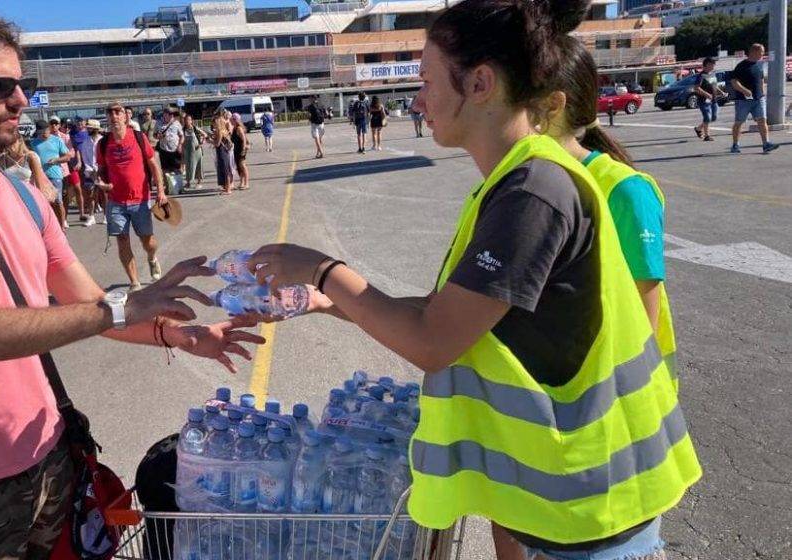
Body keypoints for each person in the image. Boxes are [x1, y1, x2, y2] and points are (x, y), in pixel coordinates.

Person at [246, 1, 701, 559]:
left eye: (428, 81)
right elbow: (452, 313)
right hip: (566, 510)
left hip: (589, 516)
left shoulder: (533, 192)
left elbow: (433, 340)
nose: (418, 102)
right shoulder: (517, 182)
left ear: (480, 83)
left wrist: (323, 269)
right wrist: (327, 300)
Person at [0, 6, 262, 558]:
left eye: (23, 84)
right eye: (0, 85)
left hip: (49, 455)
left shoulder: (28, 199)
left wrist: (182, 336)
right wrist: (120, 310)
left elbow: (91, 304)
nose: (21, 99)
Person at [542, 35, 679, 389]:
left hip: (628, 398)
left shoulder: (626, 191)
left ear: (552, 106)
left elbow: (642, 319)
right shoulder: (533, 183)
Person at [96, 101, 166, 290]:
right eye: (110, 113)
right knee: (122, 240)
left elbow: (153, 165)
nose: (114, 116)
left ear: (126, 116)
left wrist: (160, 190)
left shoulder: (138, 137)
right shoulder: (102, 144)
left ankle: (152, 258)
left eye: (118, 112)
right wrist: (102, 183)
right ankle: (134, 282)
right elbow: (101, 171)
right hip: (116, 202)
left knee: (148, 242)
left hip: (140, 199)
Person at [729, 43, 779, 154]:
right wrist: (744, 90)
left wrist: (762, 92)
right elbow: (734, 82)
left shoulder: (759, 65)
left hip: (758, 99)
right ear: (754, 52)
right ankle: (735, 145)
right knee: (739, 122)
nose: (762, 54)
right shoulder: (741, 66)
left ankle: (766, 144)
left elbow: (761, 79)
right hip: (743, 100)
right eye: (761, 52)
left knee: (762, 120)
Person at [31, 119, 73, 228]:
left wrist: (56, 160)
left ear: (49, 129)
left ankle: (62, 225)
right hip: (40, 176)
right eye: (41, 132)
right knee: (45, 202)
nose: (44, 134)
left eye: (45, 131)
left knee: (58, 201)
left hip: (55, 175)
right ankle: (52, 226)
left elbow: (68, 157)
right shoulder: (33, 143)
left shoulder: (57, 140)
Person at [0, 136, 57, 203]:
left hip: (30, 196)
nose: (10, 147)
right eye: (7, 143)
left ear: (20, 141)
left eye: (12, 143)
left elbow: (39, 184)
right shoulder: (2, 158)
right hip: (11, 197)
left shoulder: (31, 157)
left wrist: (42, 201)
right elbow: (1, 182)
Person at [77, 118, 106, 225]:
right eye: (87, 128)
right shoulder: (86, 142)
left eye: (90, 128)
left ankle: (106, 216)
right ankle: (91, 216)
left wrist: (99, 169)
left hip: (102, 171)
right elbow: (85, 157)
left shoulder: (103, 141)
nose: (88, 130)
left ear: (96, 129)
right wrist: (90, 169)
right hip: (90, 171)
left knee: (104, 194)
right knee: (90, 194)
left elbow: (105, 156)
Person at [692, 57, 723, 142]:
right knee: (707, 117)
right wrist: (706, 94)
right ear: (706, 65)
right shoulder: (701, 76)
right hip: (703, 101)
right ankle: (707, 136)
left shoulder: (713, 74)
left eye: (713, 65)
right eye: (711, 65)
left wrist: (721, 92)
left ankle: (698, 129)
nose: (713, 66)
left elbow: (714, 85)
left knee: (713, 117)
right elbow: (696, 88)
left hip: (713, 100)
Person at [182, 113, 207, 190]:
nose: (187, 121)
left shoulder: (195, 128)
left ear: (191, 121)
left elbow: (205, 135)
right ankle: (188, 183)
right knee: (188, 167)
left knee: (198, 166)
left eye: (189, 120)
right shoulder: (183, 130)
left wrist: (201, 143)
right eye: (186, 120)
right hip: (188, 151)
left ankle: (199, 182)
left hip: (197, 151)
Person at [156, 108, 184, 175]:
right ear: (164, 114)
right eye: (170, 114)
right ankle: (167, 184)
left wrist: (180, 145)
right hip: (163, 150)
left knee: (177, 169)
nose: (172, 115)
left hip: (175, 149)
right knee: (165, 170)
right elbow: (155, 135)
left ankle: (177, 184)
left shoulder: (176, 123)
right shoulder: (159, 123)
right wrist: (159, 136)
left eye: (172, 114)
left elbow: (182, 136)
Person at [212, 112, 234, 194]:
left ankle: (228, 189)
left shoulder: (220, 132)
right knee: (225, 169)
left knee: (225, 170)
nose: (213, 125)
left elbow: (217, 144)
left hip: (222, 151)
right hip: (223, 151)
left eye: (214, 124)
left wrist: (211, 141)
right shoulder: (223, 131)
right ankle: (227, 187)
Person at [231, 113, 250, 190]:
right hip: (236, 149)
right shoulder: (234, 128)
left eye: (232, 119)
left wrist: (243, 149)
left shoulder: (239, 128)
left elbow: (244, 139)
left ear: (235, 120)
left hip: (241, 149)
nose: (230, 120)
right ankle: (241, 182)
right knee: (239, 167)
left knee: (242, 166)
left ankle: (246, 183)